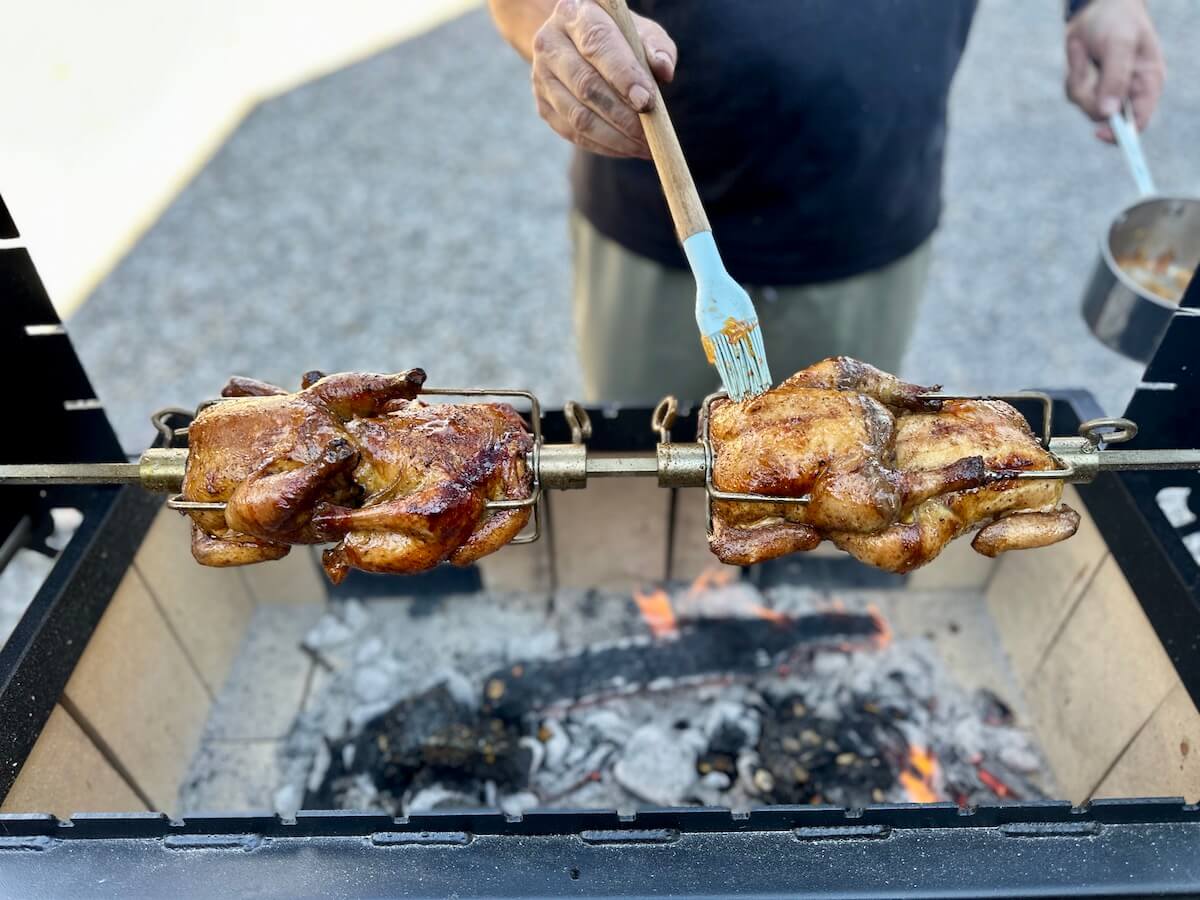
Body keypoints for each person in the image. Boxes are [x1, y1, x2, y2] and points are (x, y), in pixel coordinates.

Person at [488, 0, 1166, 403]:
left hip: (874, 208)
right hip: (655, 222)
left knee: (836, 496)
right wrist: (554, 25)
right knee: (646, 498)